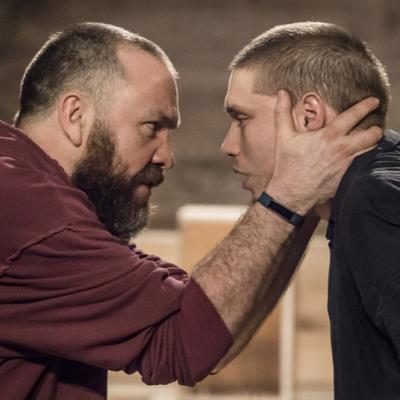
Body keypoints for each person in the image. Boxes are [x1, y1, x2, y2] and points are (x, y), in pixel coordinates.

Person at [0, 22, 381, 400]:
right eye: (152, 127)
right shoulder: (37, 216)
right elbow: (184, 340)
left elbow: (209, 333)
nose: (167, 156)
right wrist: (290, 194)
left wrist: (303, 197)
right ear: (75, 114)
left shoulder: (36, 196)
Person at [222, 21, 398, 399]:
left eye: (241, 119)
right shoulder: (369, 181)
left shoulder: (374, 200)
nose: (228, 145)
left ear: (308, 116)